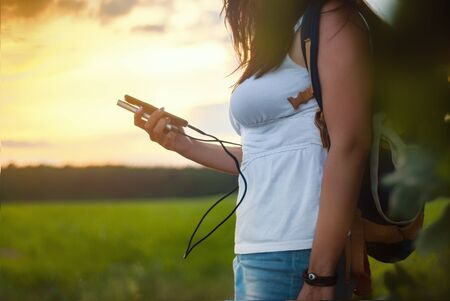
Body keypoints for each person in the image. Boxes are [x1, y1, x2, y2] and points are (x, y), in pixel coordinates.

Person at [134, 0, 372, 299]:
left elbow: (350, 143)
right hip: (255, 248)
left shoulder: (330, 20)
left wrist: (320, 275)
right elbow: (259, 158)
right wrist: (183, 144)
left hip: (300, 248)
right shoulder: (280, 42)